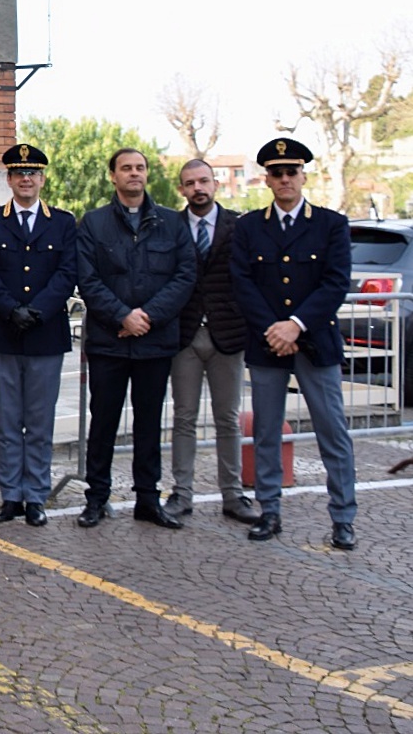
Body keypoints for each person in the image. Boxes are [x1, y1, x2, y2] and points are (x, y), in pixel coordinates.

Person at [230, 138, 357, 550]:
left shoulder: (331, 224)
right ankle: (270, 511)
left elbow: (336, 282)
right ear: (266, 178)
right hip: (268, 342)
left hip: (315, 340)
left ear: (303, 176)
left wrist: (296, 325)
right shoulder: (249, 226)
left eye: (292, 172)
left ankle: (343, 517)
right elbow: (242, 282)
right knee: (266, 432)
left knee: (332, 432)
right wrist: (275, 329)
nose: (285, 179)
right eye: (277, 173)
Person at [75, 148, 196, 530]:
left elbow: (184, 276)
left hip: (154, 342)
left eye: (140, 168)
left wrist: (147, 317)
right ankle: (96, 499)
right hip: (109, 341)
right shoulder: (93, 224)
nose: (134, 174)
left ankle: (148, 499)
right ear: (113, 176)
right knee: (104, 422)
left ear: (147, 175)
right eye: (125, 168)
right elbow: (87, 278)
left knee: (149, 423)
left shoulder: (173, 223)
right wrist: (122, 316)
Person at [0, 144, 76, 527]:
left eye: (32, 173)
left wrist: (39, 310)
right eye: (18, 173)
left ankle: (36, 497)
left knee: (40, 423)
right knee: (9, 423)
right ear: (9, 179)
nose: (26, 179)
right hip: (4, 333)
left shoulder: (63, 222)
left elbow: (67, 273)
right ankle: (10, 495)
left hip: (45, 336)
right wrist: (10, 308)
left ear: (42, 179)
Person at [164, 159, 261, 524]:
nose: (197, 188)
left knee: (228, 419)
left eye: (203, 180)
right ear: (182, 189)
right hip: (185, 334)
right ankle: (182, 493)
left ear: (215, 183)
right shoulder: (171, 227)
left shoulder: (240, 225)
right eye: (190, 183)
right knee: (184, 417)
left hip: (228, 335)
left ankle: (233, 495)